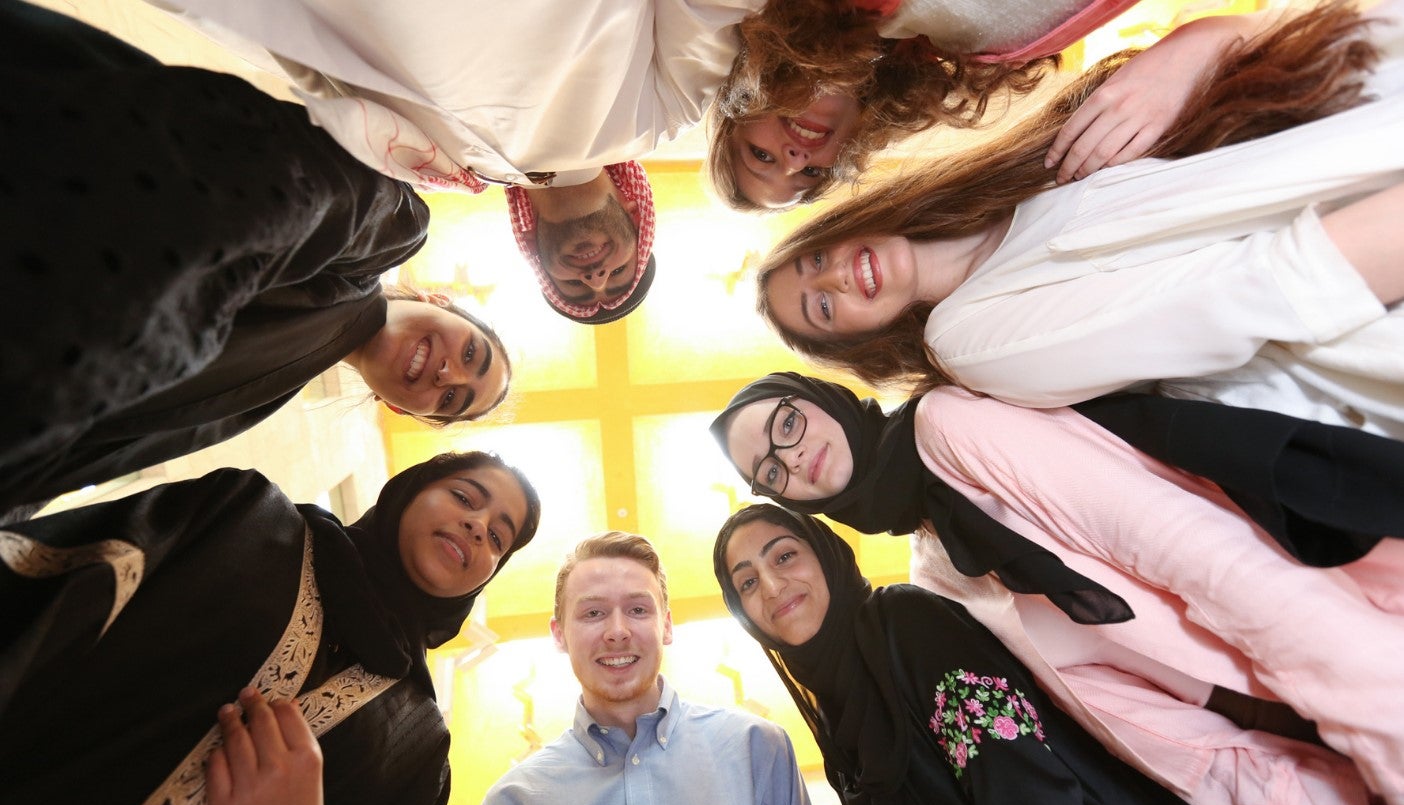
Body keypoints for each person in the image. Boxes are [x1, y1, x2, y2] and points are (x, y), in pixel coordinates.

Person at [709, 372, 1404, 805]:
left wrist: (1347, 690)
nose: (792, 459)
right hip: (1219, 776)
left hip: (1302, 675)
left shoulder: (948, 431)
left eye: (787, 423)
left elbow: (1176, 545)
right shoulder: (935, 571)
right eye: (769, 472)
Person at [753, 1, 1404, 437]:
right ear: (864, 340)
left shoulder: (1011, 175)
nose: (835, 278)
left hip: (1360, 93)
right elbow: (1245, 295)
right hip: (1369, 247)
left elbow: (1249, 55)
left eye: (815, 260)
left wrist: (1188, 49)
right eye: (823, 307)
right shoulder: (973, 344)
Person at [0, 4, 512, 521]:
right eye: (471, 353)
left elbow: (103, 443)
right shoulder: (396, 230)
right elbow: (267, 189)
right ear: (436, 299)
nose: (447, 374)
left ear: (399, 408)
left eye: (451, 401)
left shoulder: (264, 398)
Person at [0, 449, 542, 805]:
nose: (477, 526)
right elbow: (51, 579)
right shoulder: (245, 516)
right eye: (465, 497)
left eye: (499, 538)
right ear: (408, 491)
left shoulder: (419, 747)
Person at [153, 0, 764, 322]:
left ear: (535, 253)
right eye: (621, 274)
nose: (597, 278)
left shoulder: (431, 166)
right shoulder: (665, 111)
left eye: (576, 286)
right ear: (635, 212)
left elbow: (318, 72)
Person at [713, 504, 1239, 805]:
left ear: (826, 556)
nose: (773, 585)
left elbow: (1019, 777)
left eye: (785, 556)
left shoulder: (903, 623)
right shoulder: (836, 727)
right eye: (747, 583)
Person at [706, 0, 1322, 210]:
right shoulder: (994, 53)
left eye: (762, 156)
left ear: (739, 108)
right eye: (810, 176)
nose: (796, 159)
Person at [475, 531, 825, 805]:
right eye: (593, 612)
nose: (617, 631)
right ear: (559, 634)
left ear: (666, 626)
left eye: (638, 610)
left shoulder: (757, 749)